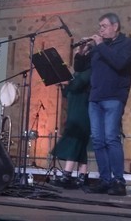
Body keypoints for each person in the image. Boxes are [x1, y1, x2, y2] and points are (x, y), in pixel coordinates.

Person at [77, 12, 131, 196]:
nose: (100, 29)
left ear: (115, 26)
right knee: (98, 140)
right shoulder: (97, 49)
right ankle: (105, 180)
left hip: (114, 97)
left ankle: (118, 181)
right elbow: (79, 68)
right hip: (95, 98)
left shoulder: (126, 44)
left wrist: (100, 45)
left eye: (103, 26)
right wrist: (80, 53)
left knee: (111, 138)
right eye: (99, 26)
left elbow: (119, 63)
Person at [49, 52, 92, 189]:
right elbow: (67, 92)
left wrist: (67, 81)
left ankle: (67, 174)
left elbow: (77, 85)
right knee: (80, 144)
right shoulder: (77, 73)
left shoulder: (89, 71)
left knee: (74, 140)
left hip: (83, 112)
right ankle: (82, 176)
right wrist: (62, 84)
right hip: (74, 111)